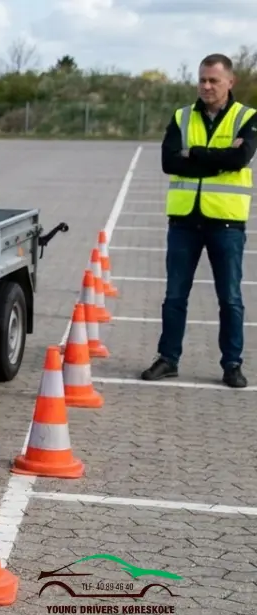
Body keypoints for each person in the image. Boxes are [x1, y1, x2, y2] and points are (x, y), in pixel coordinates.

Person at [141, 52, 255, 389]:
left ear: (230, 82)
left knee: (230, 298)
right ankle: (168, 358)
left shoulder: (246, 117)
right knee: (175, 295)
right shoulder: (182, 116)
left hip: (226, 223)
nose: (206, 86)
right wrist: (216, 159)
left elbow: (241, 157)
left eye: (213, 80)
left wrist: (195, 154)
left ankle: (232, 364)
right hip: (184, 222)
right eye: (202, 79)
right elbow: (168, 162)